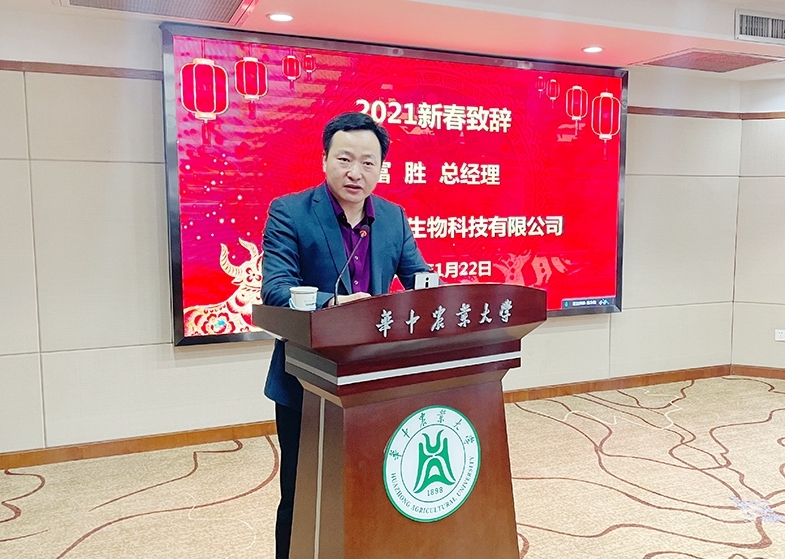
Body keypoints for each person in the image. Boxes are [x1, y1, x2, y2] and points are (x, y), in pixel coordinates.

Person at [261, 111, 430, 558]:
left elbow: (419, 279)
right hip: (307, 379)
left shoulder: (392, 217)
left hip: (374, 381)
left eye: (368, 163)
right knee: (302, 492)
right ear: (325, 159)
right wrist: (335, 303)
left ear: (381, 167)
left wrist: (441, 298)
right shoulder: (290, 212)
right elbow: (276, 289)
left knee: (371, 487)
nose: (356, 172)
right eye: (345, 159)